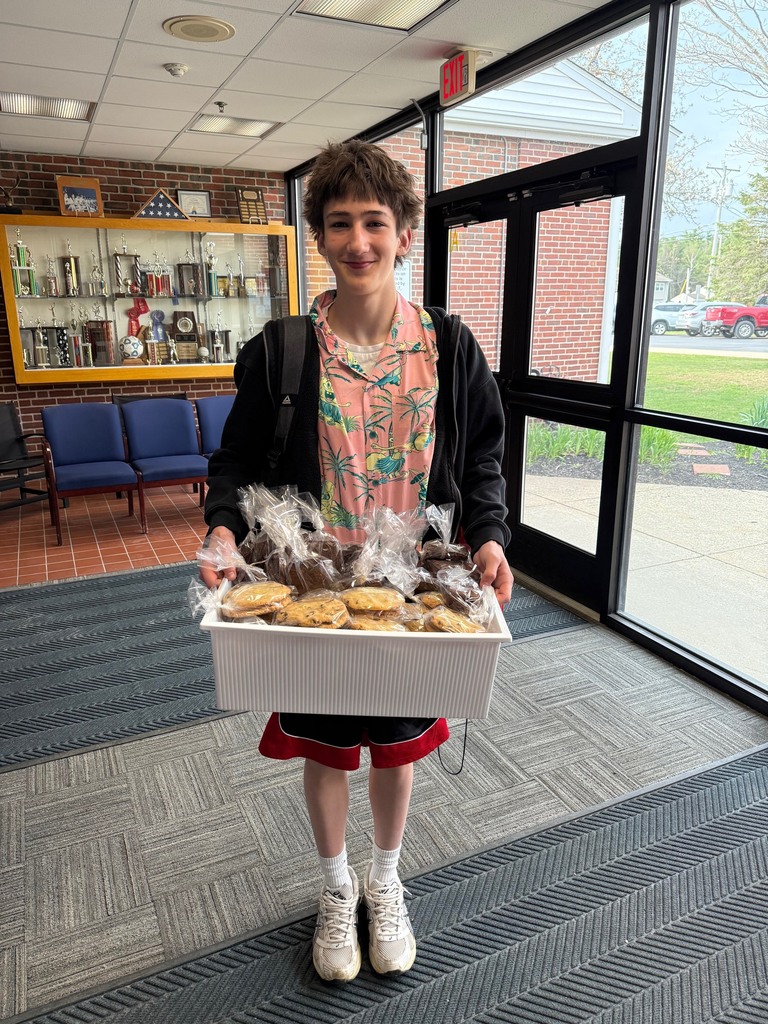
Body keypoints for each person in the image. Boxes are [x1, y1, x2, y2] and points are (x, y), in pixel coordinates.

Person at [200, 139, 513, 983]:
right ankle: (337, 890)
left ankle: (385, 879)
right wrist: (225, 531)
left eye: (375, 222)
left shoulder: (451, 347)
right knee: (329, 744)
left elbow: (482, 458)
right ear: (321, 235)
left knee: (400, 743)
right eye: (339, 224)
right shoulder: (284, 350)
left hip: (416, 588)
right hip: (315, 583)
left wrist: (488, 536)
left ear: (405, 233)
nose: (358, 241)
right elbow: (233, 464)